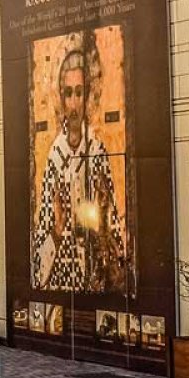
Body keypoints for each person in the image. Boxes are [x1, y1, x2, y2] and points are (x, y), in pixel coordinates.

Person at [34, 49, 125, 293]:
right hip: (61, 280)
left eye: (79, 93)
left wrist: (102, 226)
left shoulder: (97, 152)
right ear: (61, 99)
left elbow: (114, 227)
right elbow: (38, 262)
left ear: (88, 98)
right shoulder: (54, 156)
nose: (74, 103)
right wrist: (58, 226)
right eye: (68, 93)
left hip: (93, 279)